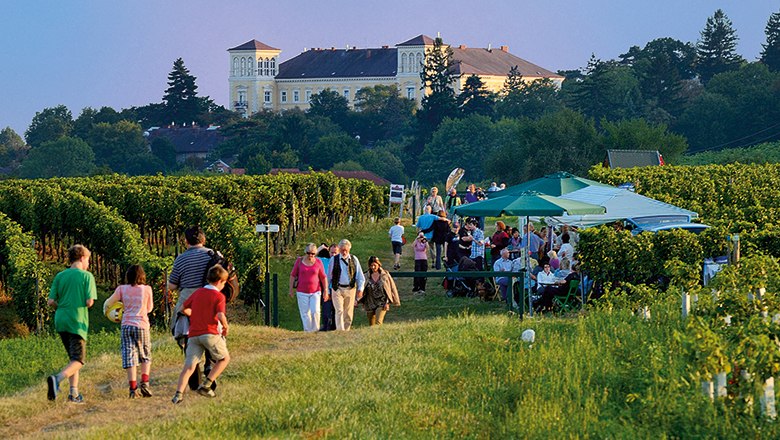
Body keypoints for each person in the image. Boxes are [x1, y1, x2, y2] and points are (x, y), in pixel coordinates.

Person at [172, 265, 231, 404]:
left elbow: (183, 309)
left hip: (193, 335)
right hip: (210, 333)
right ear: (220, 281)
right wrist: (225, 326)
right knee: (224, 359)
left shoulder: (198, 292)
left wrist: (193, 314)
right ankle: (206, 385)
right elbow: (220, 314)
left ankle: (178, 395)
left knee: (189, 366)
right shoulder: (219, 296)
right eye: (224, 283)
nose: (223, 286)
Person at [46, 245, 97, 404]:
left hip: (61, 320)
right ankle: (57, 379)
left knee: (73, 359)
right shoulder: (87, 276)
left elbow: (51, 301)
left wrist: (62, 306)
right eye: (88, 260)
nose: (88, 263)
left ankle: (73, 394)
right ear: (82, 258)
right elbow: (89, 302)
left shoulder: (60, 276)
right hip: (77, 321)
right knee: (79, 360)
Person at [167, 226, 216, 391]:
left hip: (188, 299)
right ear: (203, 239)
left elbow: (172, 285)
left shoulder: (181, 259)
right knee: (211, 332)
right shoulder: (213, 255)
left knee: (186, 334)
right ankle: (210, 364)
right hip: (209, 297)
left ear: (186, 241)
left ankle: (194, 375)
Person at [103, 264, 154, 399]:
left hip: (126, 325)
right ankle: (145, 383)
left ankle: (133, 389)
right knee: (145, 355)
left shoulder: (121, 289)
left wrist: (107, 312)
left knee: (129, 356)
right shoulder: (147, 289)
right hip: (142, 325)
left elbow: (108, 303)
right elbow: (149, 309)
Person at [327, 239, 365, 331]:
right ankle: (340, 330)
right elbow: (328, 277)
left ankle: (346, 331)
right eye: (342, 250)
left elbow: (360, 276)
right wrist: (327, 290)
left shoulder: (354, 259)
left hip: (350, 289)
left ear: (349, 249)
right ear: (339, 249)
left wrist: (360, 289)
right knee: (339, 310)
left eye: (346, 250)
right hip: (337, 288)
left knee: (348, 312)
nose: (344, 252)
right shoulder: (333, 259)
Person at [290, 243, 328, 332]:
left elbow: (323, 277)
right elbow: (293, 275)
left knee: (315, 311)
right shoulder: (299, 261)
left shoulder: (318, 262)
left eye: (313, 253)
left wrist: (326, 290)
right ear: (305, 252)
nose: (310, 255)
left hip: (316, 291)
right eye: (308, 253)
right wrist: (290, 289)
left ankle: (315, 330)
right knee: (305, 313)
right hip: (302, 291)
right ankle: (308, 331)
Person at [360, 256, 401, 325]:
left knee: (378, 322)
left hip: (382, 302)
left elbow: (391, 288)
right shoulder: (366, 276)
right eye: (371, 265)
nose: (373, 267)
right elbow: (361, 289)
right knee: (371, 324)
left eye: (374, 265)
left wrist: (388, 302)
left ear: (378, 265)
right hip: (369, 302)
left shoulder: (385, 275)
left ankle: (378, 331)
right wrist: (361, 301)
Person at [318, 244, 338, 331]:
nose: (333, 254)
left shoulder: (341, 261)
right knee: (326, 309)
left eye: (335, 253)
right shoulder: (324, 261)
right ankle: (326, 327)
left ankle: (335, 327)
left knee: (337, 309)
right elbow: (310, 256)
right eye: (332, 252)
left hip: (338, 289)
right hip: (327, 288)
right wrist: (321, 248)